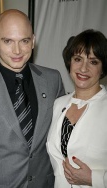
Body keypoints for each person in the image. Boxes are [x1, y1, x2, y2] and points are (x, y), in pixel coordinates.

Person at [0, 9, 65, 188]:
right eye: (8, 41)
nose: (17, 50)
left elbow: (61, 136)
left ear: (33, 41)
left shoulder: (53, 80)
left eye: (24, 41)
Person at [46, 29, 107, 188]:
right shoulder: (58, 104)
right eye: (78, 59)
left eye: (93, 62)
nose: (83, 68)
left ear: (102, 68)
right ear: (69, 62)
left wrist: (95, 179)